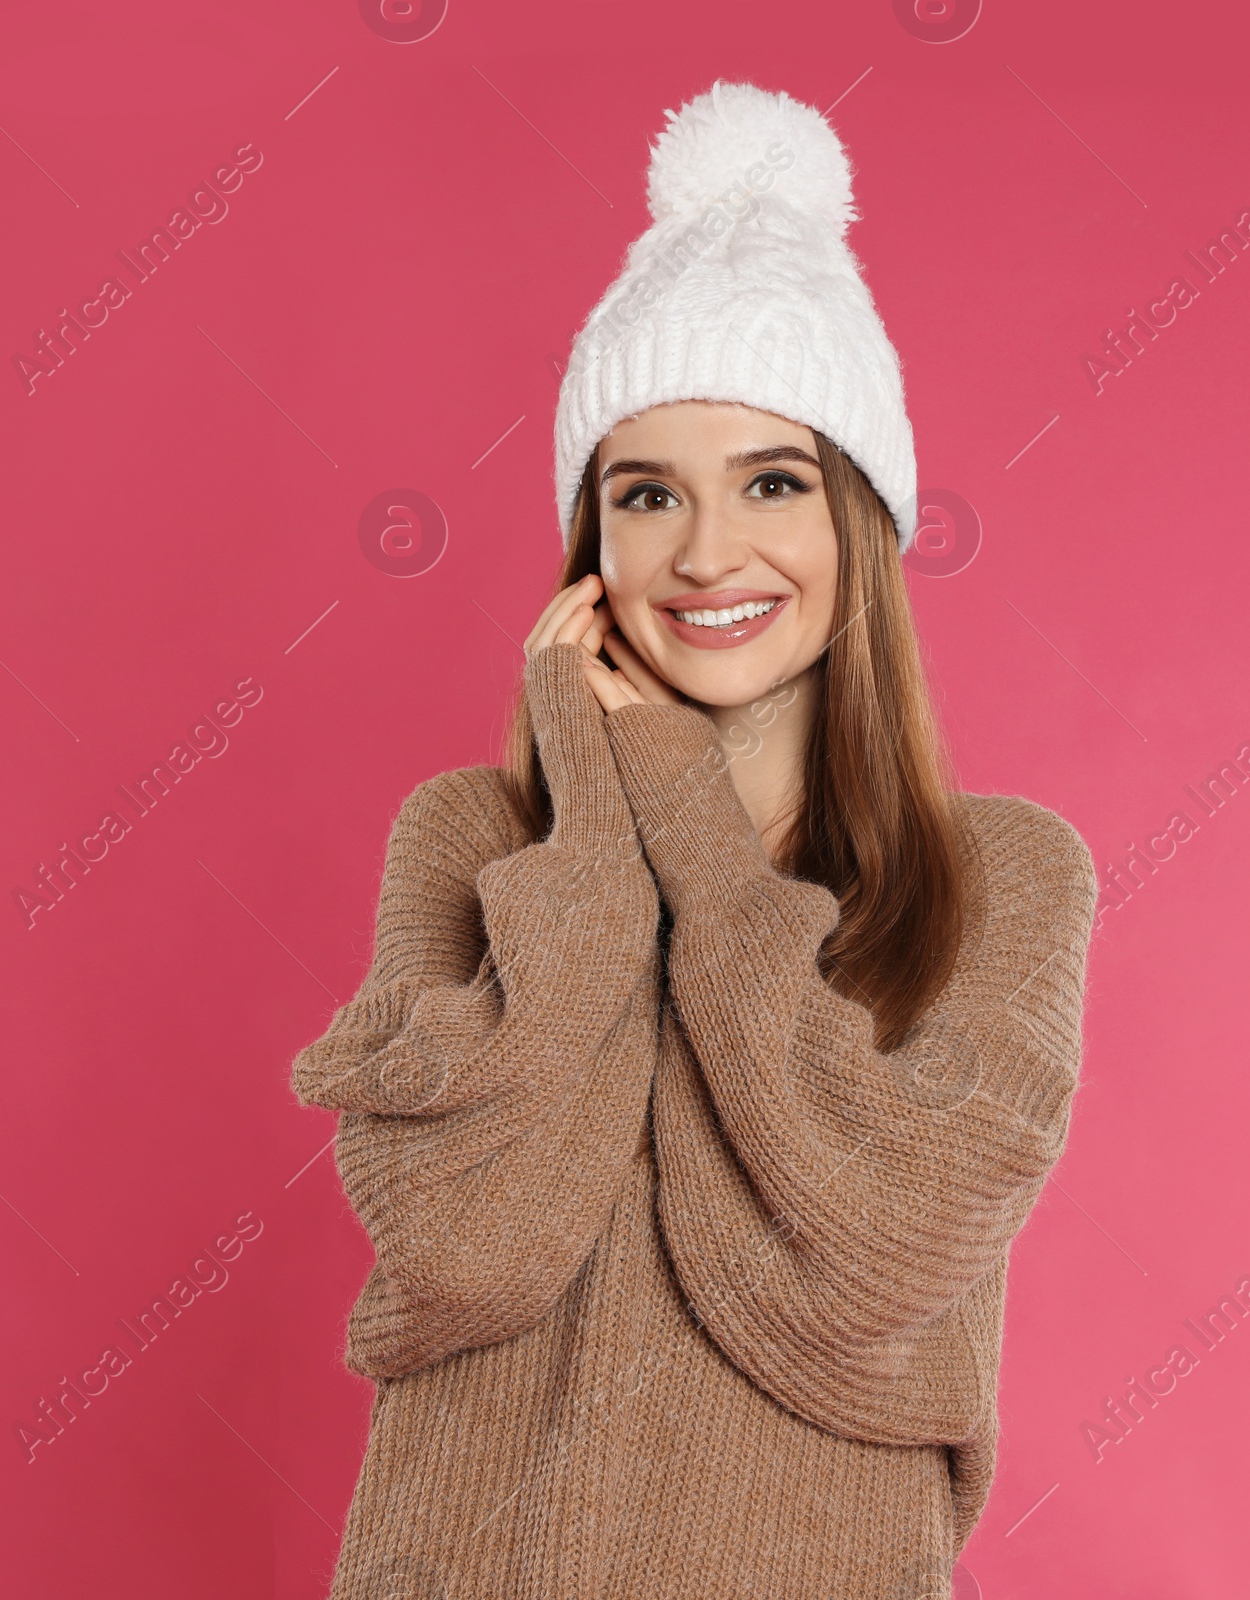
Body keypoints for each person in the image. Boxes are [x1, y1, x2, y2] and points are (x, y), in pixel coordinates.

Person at [291, 79, 1098, 1600]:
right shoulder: (472, 841)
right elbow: (472, 1250)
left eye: (772, 482)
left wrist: (684, 811)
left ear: (860, 516)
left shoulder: (1004, 874)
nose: (707, 552)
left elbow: (867, 1262)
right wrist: (600, 823)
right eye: (646, 492)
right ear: (589, 546)